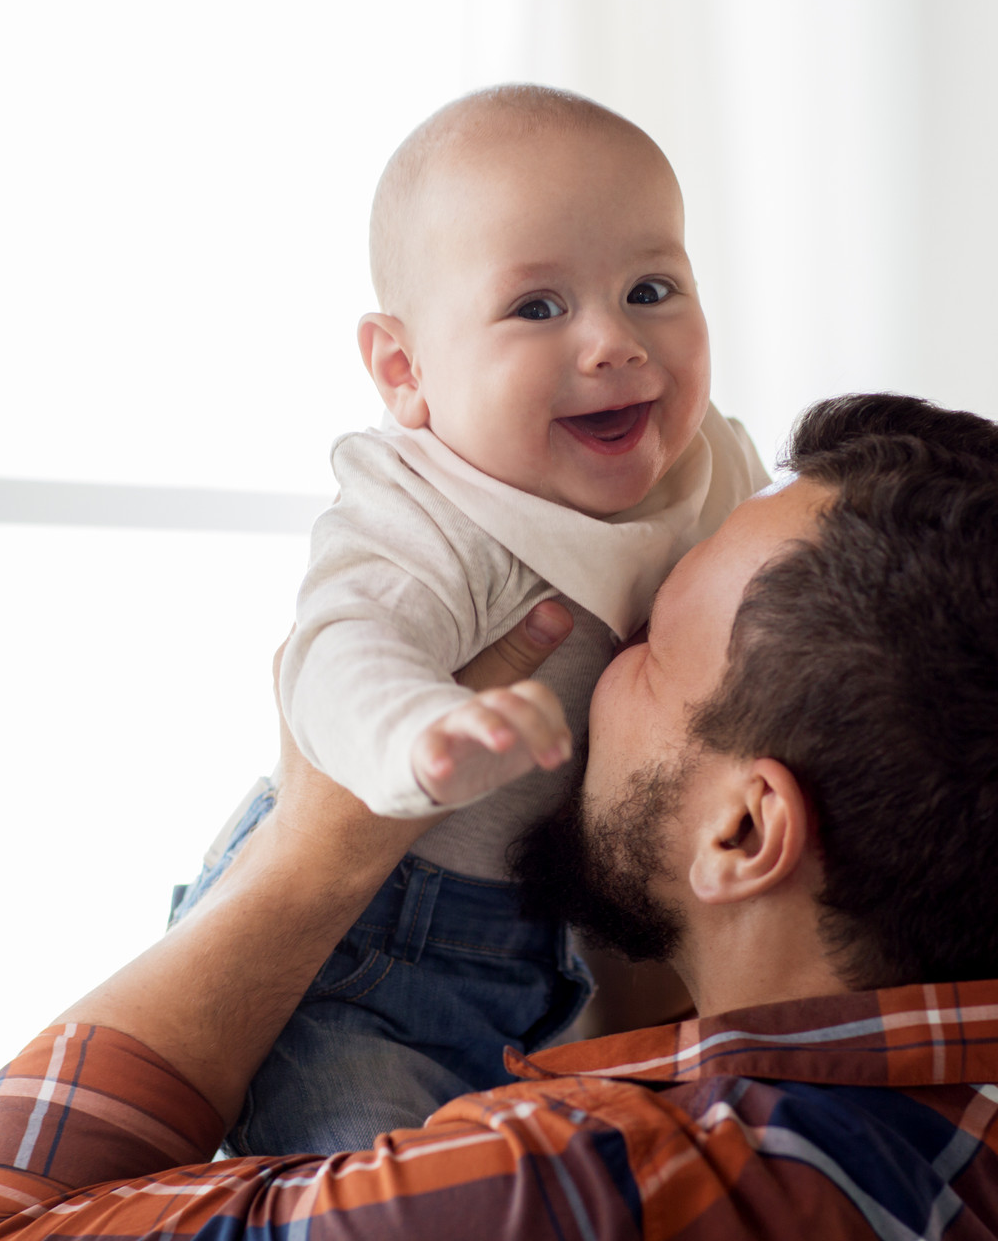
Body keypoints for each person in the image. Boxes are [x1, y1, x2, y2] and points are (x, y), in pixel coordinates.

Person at [0, 395, 998, 1240]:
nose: (597, 662)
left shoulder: (589, 1194)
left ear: (744, 834)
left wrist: (312, 849)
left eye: (652, 643)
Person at [167, 83, 766, 1155]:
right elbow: (337, 650)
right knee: (369, 1188)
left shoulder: (711, 468)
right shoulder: (433, 507)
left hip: (564, 954)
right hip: (362, 960)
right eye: (538, 307)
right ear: (406, 371)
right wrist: (413, 729)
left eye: (650, 287)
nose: (612, 343)